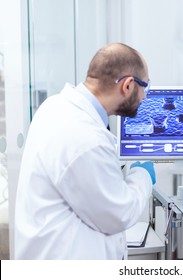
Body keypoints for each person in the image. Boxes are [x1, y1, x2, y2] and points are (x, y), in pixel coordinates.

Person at [14, 43, 156, 259]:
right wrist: (142, 175)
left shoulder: (55, 106)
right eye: (144, 86)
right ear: (127, 86)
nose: (145, 96)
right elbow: (119, 214)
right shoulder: (87, 139)